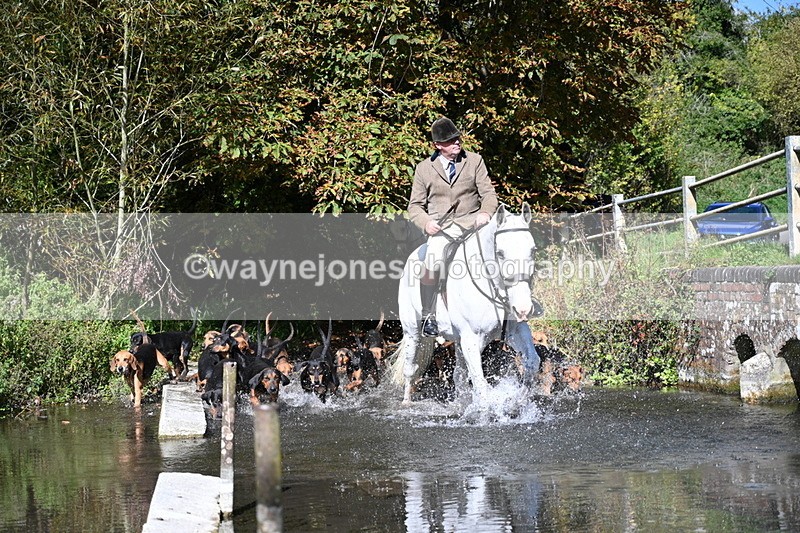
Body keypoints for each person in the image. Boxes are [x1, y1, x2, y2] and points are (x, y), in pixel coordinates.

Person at [407, 116, 499, 336]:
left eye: (458, 139)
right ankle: (429, 315)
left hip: (475, 223)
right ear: (438, 146)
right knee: (433, 258)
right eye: (450, 141)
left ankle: (518, 305)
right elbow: (415, 207)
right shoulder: (423, 169)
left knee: (506, 248)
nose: (457, 143)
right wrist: (426, 223)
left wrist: (485, 213)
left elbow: (488, 194)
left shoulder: (474, 160)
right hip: (444, 228)